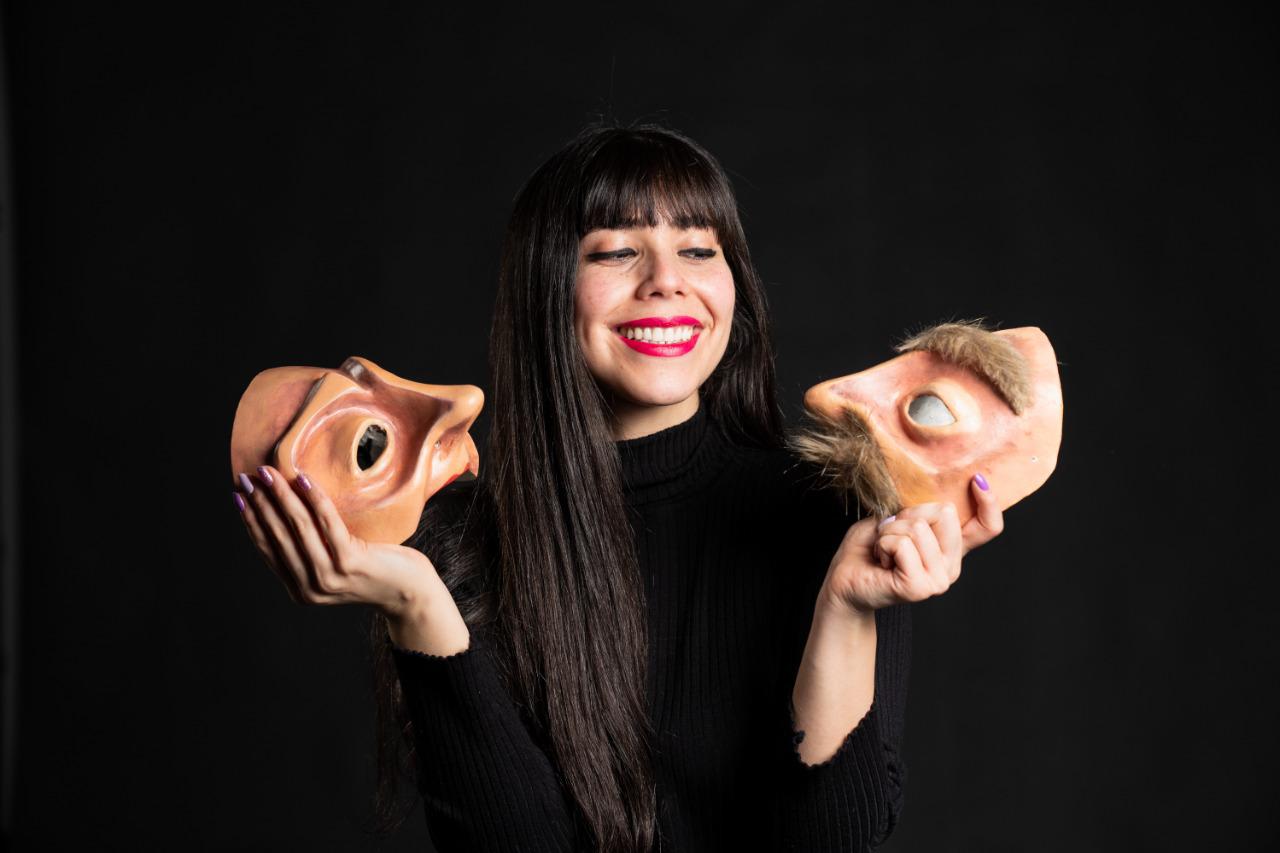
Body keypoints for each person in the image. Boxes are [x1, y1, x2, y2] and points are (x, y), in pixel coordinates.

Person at [231, 122, 1005, 852]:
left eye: (698, 249)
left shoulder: (835, 516)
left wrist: (847, 607)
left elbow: (833, 838)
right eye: (615, 252)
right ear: (546, 289)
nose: (667, 282)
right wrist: (416, 604)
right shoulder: (461, 546)